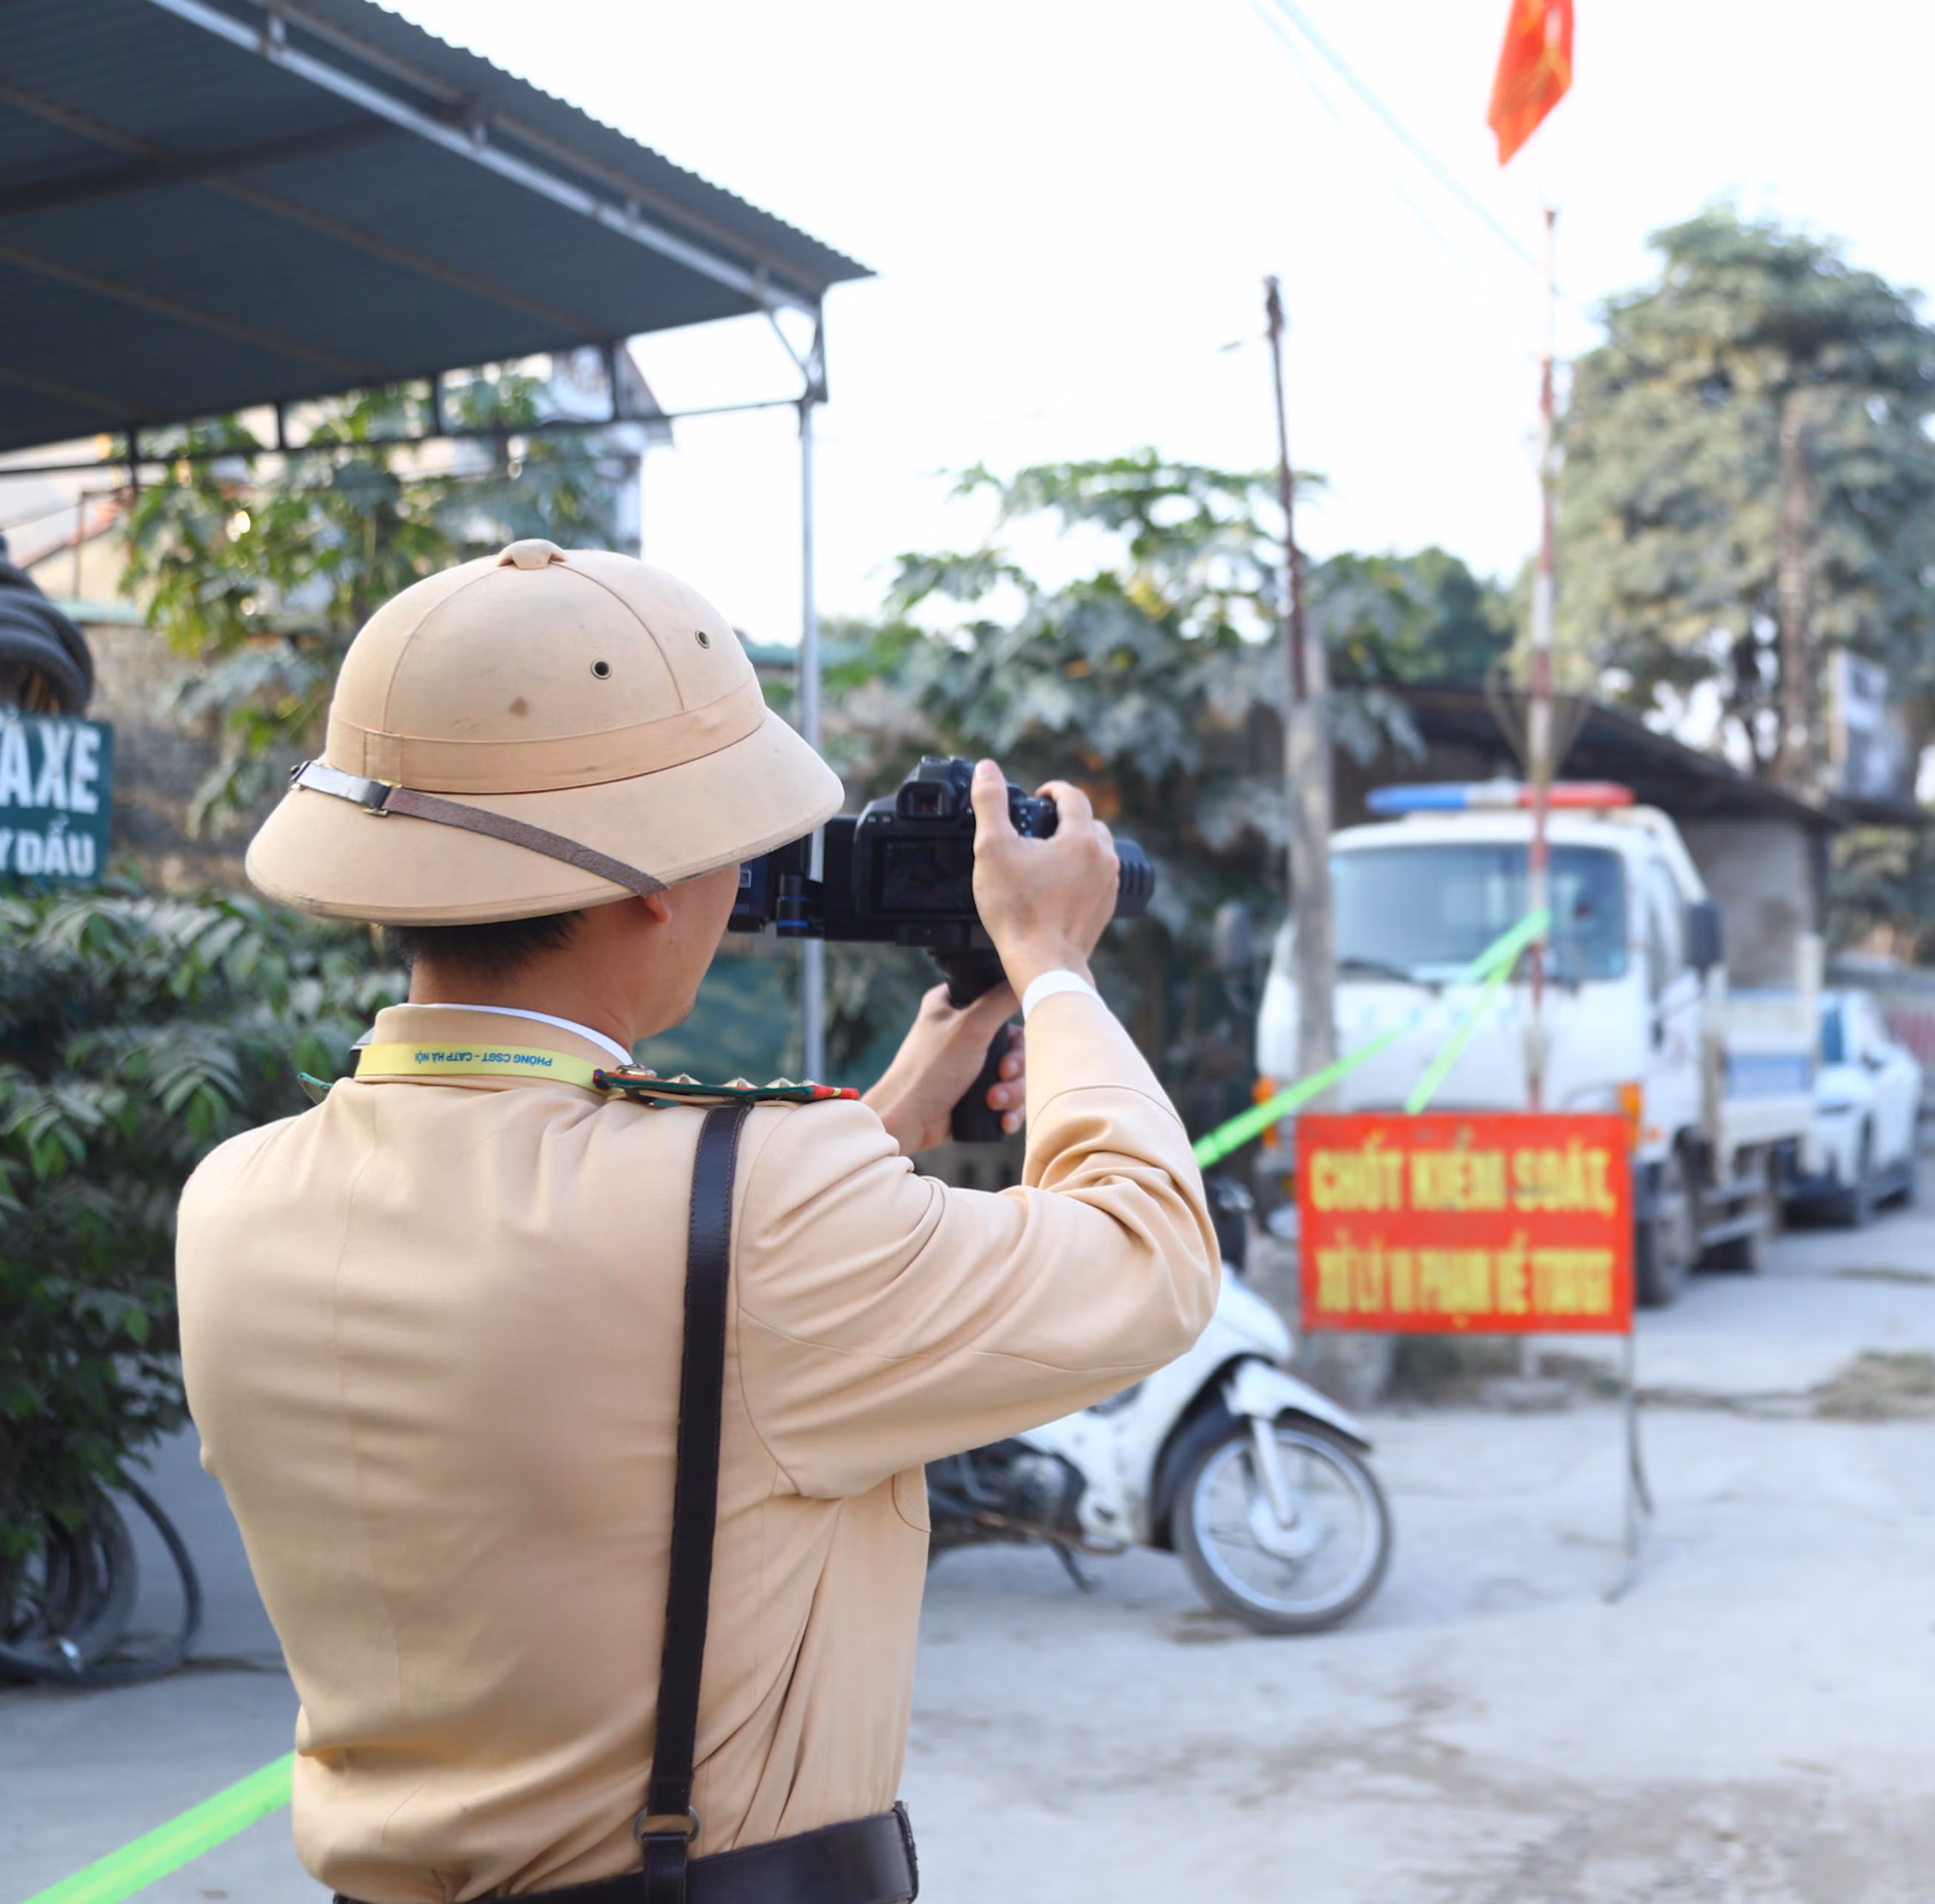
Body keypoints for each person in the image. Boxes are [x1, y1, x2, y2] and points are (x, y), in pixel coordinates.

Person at [176, 539, 1218, 1904]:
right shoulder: (765, 1208)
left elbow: (635, 1301)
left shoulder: (233, 1199)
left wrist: (898, 1105)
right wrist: (1052, 965)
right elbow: (1150, 1262)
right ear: (657, 880)